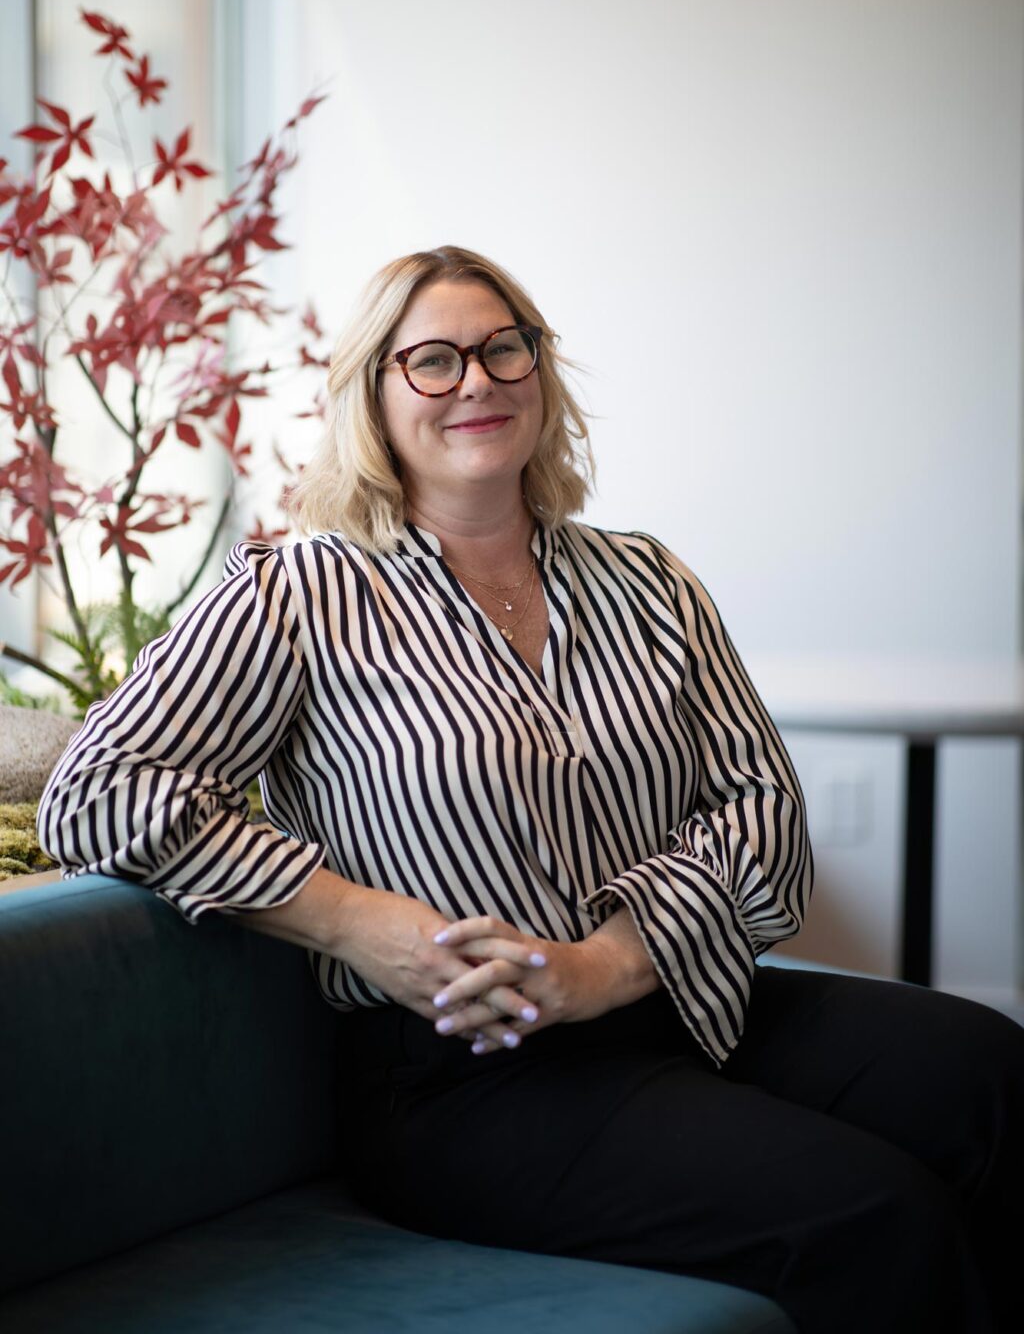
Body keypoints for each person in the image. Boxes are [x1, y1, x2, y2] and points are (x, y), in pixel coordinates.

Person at [38, 245, 1022, 1334]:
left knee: (990, 1072)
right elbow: (99, 791)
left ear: (541, 373)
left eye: (505, 348)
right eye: (433, 360)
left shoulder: (645, 578)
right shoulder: (294, 593)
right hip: (472, 1077)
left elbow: (762, 814)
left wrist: (605, 965)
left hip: (681, 999)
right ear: (373, 394)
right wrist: (366, 927)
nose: (477, 380)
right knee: (874, 1215)